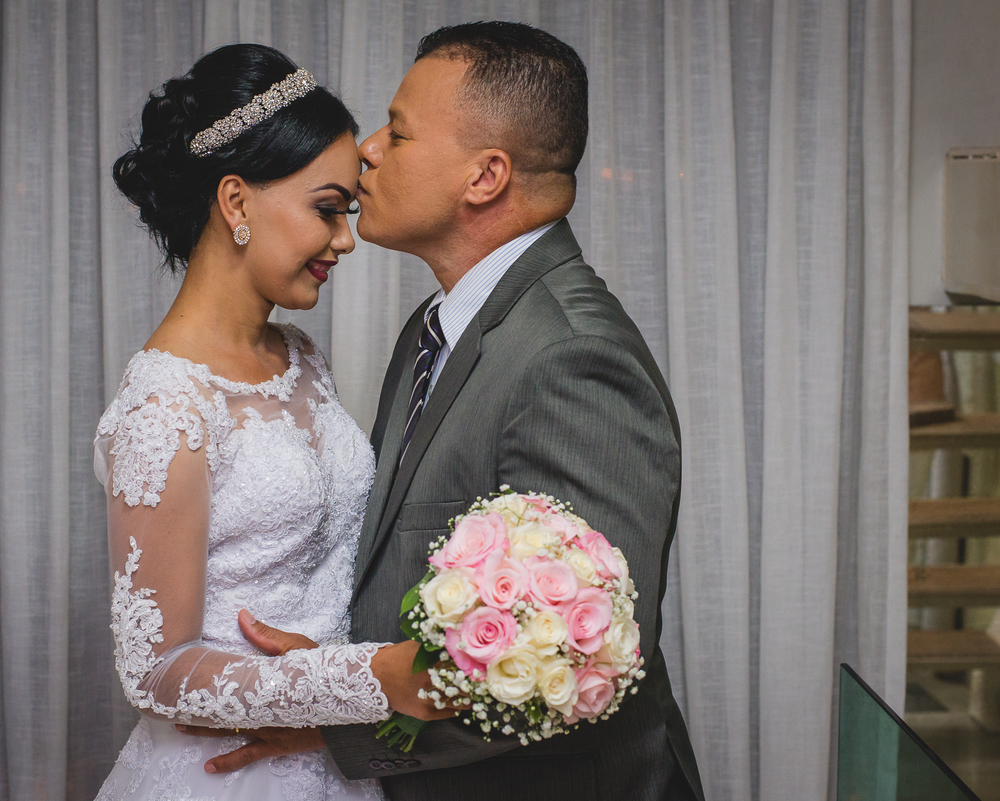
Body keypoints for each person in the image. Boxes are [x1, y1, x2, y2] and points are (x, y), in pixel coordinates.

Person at [178, 22, 707, 801]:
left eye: (398, 130)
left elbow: (574, 663)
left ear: (485, 177)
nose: (368, 152)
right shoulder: (439, 328)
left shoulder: (571, 358)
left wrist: (338, 723)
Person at [91, 43, 449, 801]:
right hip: (227, 777)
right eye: (328, 209)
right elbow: (155, 668)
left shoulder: (299, 356)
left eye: (348, 212)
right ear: (236, 201)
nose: (346, 240)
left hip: (340, 761)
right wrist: (368, 678)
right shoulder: (165, 406)